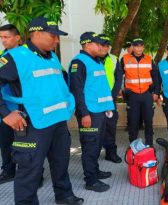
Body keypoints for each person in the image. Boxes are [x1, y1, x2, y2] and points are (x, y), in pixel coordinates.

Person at [0, 16, 83, 205]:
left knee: (61, 162)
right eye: (53, 36)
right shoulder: (14, 57)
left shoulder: (51, 56)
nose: (57, 40)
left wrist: (69, 104)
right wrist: (6, 113)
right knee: (30, 170)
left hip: (58, 122)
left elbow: (59, 84)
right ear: (36, 33)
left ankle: (64, 195)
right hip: (32, 124)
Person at [69, 32, 115, 192]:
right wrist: (84, 114)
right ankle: (91, 180)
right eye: (98, 44)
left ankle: (94, 171)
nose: (102, 47)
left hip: (100, 111)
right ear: (87, 44)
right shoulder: (79, 63)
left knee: (97, 145)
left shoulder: (96, 61)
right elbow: (76, 90)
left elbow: (99, 88)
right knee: (90, 146)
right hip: (89, 113)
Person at [120, 38, 160, 146]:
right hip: (132, 95)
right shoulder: (124, 59)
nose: (139, 48)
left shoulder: (149, 59)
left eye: (141, 45)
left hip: (147, 95)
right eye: (136, 46)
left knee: (148, 121)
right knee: (133, 122)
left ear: (143, 47)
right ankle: (133, 146)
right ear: (132, 46)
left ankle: (149, 145)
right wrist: (120, 89)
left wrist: (156, 92)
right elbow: (118, 75)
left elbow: (155, 76)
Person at [0, 24, 21, 185]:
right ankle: (8, 171)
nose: (3, 40)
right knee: (6, 143)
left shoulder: (25, 56)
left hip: (22, 110)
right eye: (1, 37)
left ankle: (37, 175)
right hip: (5, 110)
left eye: (6, 37)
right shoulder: (4, 56)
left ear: (17, 37)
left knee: (27, 145)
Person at [98, 34, 123, 163]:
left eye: (107, 45)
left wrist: (111, 96)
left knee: (110, 127)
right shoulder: (89, 58)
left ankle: (111, 153)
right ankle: (94, 153)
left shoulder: (113, 59)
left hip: (109, 100)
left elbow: (119, 78)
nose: (105, 47)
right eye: (103, 45)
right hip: (94, 101)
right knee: (95, 128)